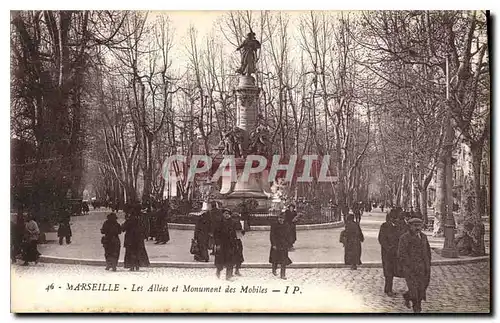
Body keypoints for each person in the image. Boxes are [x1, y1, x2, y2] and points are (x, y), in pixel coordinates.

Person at [398, 218, 431, 313]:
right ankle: (417, 308)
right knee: (414, 288)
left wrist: (428, 264)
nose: (418, 228)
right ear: (410, 226)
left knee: (422, 287)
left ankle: (407, 296)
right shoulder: (404, 238)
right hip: (410, 268)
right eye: (415, 226)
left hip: (423, 268)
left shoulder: (424, 237)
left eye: (419, 226)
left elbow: (427, 251)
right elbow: (401, 253)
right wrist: (409, 265)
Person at [378, 210, 403, 297]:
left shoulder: (399, 226)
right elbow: (381, 239)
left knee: (393, 270)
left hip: (396, 253)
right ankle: (388, 289)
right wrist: (388, 248)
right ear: (391, 218)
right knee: (388, 271)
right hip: (387, 253)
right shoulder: (384, 226)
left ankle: (389, 289)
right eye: (395, 219)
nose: (397, 221)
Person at [122, 207, 150, 271]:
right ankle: (137, 265)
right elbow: (145, 228)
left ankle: (131, 266)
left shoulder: (129, 220)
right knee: (138, 252)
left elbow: (123, 228)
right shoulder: (141, 220)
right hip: (139, 239)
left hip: (130, 239)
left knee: (131, 252)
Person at [213, 209, 238, 281]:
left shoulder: (232, 222)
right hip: (222, 244)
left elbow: (234, 233)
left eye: (228, 214)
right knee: (220, 260)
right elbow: (216, 235)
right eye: (225, 213)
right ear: (223, 214)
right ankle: (218, 271)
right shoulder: (219, 223)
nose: (227, 215)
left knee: (230, 260)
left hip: (230, 245)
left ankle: (229, 276)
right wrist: (217, 244)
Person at [269, 212, 292, 280]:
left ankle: (283, 274)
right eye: (279, 218)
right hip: (276, 244)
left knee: (283, 260)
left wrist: (289, 245)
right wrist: (273, 244)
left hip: (284, 245)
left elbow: (289, 235)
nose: (280, 219)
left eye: (282, 218)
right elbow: (272, 235)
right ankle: (274, 269)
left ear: (284, 219)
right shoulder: (274, 225)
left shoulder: (287, 225)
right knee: (275, 258)